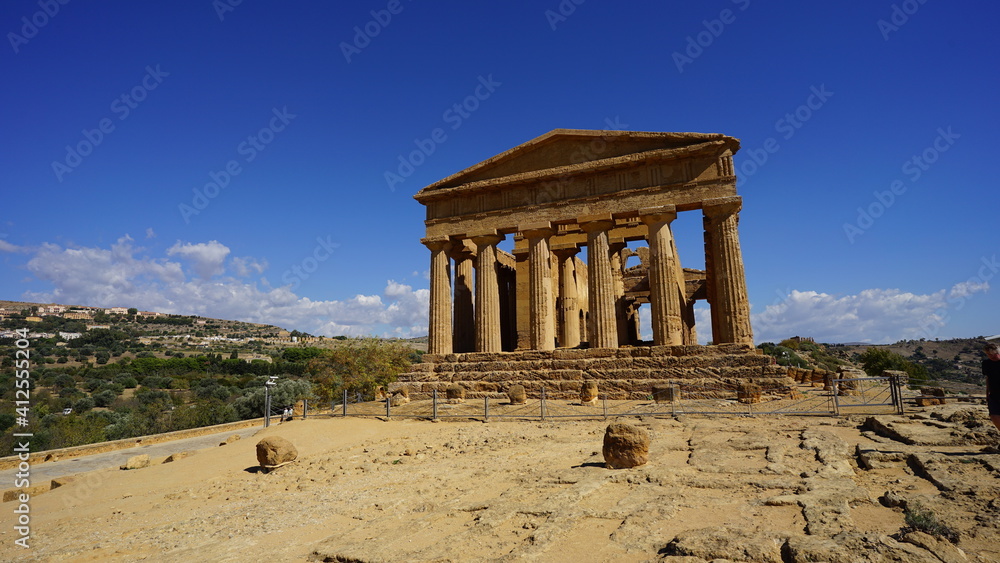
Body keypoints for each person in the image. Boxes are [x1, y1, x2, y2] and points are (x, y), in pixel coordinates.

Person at [983, 342, 1000, 433]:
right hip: (993, 394)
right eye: (988, 354)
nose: (991, 356)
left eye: (993, 354)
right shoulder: (986, 363)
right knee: (994, 416)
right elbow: (988, 378)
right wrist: (987, 393)